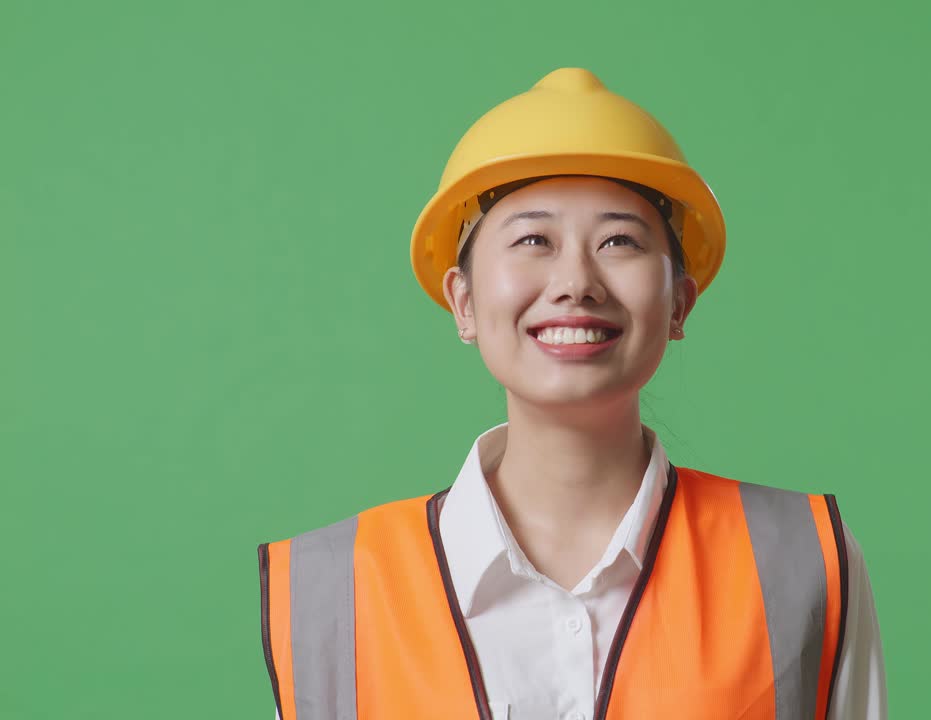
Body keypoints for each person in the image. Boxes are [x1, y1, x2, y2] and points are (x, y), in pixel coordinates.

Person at [258, 67, 887, 720]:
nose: (575, 282)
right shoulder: (333, 590)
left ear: (679, 303)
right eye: (533, 240)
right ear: (464, 302)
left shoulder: (803, 560)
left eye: (620, 241)